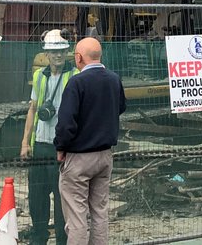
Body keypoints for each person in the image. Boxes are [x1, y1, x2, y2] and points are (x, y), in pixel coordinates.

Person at [54, 37, 125, 245]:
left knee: (77, 217)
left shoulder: (76, 82)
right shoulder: (114, 79)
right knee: (100, 213)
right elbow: (120, 107)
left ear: (78, 57)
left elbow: (66, 122)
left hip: (79, 159)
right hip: (104, 157)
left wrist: (61, 147)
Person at [20, 29, 76, 245]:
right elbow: (33, 109)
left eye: (61, 51)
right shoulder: (39, 76)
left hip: (64, 147)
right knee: (37, 196)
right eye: (53, 51)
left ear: (67, 51)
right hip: (41, 144)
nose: (58, 55)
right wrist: (25, 142)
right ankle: (39, 238)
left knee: (62, 197)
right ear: (47, 54)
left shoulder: (75, 76)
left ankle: (63, 240)